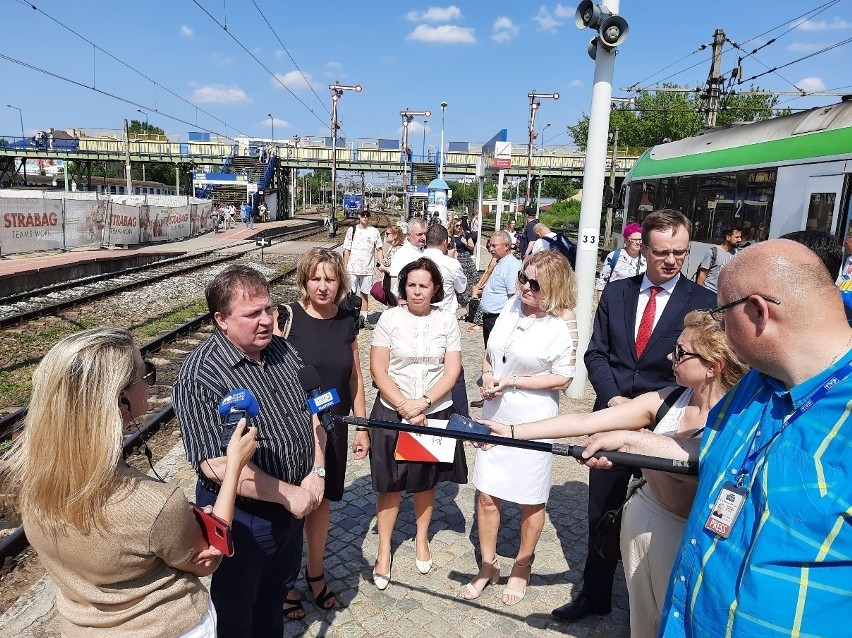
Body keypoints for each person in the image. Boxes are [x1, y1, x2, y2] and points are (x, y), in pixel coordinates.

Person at [580, 239, 852, 638]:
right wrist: (630, 441)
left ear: (758, 311)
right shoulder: (758, 381)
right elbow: (711, 449)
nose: (720, 330)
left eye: (724, 314)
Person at [489, 311, 747, 637]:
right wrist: (510, 431)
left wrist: (633, 442)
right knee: (642, 620)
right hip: (641, 524)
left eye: (681, 352)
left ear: (713, 366)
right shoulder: (670, 399)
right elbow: (585, 422)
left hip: (689, 541)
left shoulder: (739, 419)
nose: (671, 356)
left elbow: (700, 466)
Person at [5, 327, 257, 637]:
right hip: (167, 627)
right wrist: (234, 467)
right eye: (144, 373)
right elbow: (207, 562)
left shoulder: (32, 480)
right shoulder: (154, 504)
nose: (149, 383)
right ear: (122, 398)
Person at [555, 209, 717, 623]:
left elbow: (705, 368)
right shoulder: (618, 292)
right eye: (662, 252)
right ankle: (595, 594)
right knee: (602, 510)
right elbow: (596, 353)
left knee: (665, 514)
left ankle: (658, 599)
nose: (672, 260)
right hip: (610, 417)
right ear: (642, 248)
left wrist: (651, 411)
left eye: (680, 252)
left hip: (667, 426)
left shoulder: (702, 304)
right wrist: (612, 400)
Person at [173, 264, 327, 638]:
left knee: (273, 600)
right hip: (242, 519)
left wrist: (316, 470)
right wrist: (287, 493)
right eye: (252, 314)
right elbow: (214, 464)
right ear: (221, 319)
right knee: (237, 613)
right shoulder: (200, 375)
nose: (266, 321)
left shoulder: (282, 349)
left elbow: (314, 410)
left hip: (293, 507)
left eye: (269, 310)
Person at [462, 250, 577, 605]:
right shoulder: (512, 306)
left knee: (531, 496)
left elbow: (564, 378)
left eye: (534, 283)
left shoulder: (560, 323)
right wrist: (485, 376)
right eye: (522, 278)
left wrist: (513, 382)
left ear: (554, 287)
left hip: (534, 418)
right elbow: (490, 353)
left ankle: (522, 566)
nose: (525, 286)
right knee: (486, 492)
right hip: (497, 410)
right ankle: (488, 564)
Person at [275, 249, 368, 620]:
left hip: (334, 427)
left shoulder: (348, 320)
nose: (323, 286)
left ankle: (315, 574)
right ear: (304, 280)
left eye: (330, 279)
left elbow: (355, 377)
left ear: (341, 282)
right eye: (316, 278)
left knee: (322, 503)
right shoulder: (288, 318)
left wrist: (363, 426)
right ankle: (284, 582)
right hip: (294, 430)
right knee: (291, 507)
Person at [367, 258, 468, 590]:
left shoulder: (446, 321)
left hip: (433, 410)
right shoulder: (389, 320)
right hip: (392, 410)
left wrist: (423, 403)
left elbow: (452, 371)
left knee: (425, 480)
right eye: (411, 285)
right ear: (403, 287)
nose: (417, 291)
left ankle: (422, 538)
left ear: (435, 288)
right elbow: (379, 370)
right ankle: (384, 549)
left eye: (424, 285)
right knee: (390, 483)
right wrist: (403, 406)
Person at [474, 230, 521, 347]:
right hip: (490, 317)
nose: (490, 249)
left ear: (506, 246)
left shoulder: (512, 266)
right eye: (490, 245)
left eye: (494, 246)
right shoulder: (500, 262)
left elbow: (513, 296)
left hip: (498, 318)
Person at [342, 210, 384, 328]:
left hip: (367, 268)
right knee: (351, 294)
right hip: (352, 268)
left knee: (365, 294)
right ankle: (350, 318)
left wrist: (382, 266)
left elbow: (379, 249)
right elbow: (347, 250)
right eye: (363, 215)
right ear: (359, 216)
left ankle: (363, 319)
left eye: (367, 215)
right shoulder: (352, 230)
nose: (365, 217)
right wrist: (344, 267)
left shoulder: (374, 231)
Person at [595, 222, 647, 302]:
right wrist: (601, 304)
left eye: (640, 240)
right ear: (626, 240)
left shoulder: (645, 257)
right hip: (616, 299)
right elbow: (602, 282)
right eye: (634, 240)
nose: (638, 242)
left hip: (637, 301)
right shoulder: (614, 256)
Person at [695, 225, 741, 291]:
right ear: (728, 237)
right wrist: (698, 292)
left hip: (724, 295)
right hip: (709, 292)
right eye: (737, 237)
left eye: (740, 237)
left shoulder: (738, 253)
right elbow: (702, 274)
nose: (740, 239)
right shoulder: (713, 252)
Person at [389, 217, 427, 294]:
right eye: (419, 234)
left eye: (425, 234)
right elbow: (394, 285)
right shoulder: (401, 254)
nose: (423, 237)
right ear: (408, 235)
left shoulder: (427, 251)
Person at [377, 225, 405, 306]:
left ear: (395, 235)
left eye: (387, 234)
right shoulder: (392, 247)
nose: (385, 236)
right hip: (388, 279)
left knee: (394, 304)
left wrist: (383, 268)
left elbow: (397, 269)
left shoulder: (398, 249)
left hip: (393, 280)